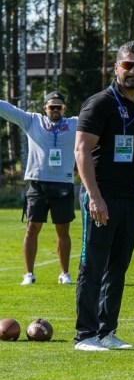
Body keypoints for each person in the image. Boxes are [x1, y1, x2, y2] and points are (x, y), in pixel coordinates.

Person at [73, 40, 134, 351]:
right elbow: (81, 151)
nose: (133, 70)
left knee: (118, 267)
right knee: (92, 265)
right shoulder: (100, 103)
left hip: (127, 197)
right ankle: (85, 335)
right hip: (100, 194)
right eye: (127, 65)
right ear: (116, 67)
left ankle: (107, 331)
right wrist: (94, 197)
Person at [0, 91, 78, 286]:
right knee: (32, 228)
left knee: (63, 230)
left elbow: (97, 113)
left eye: (59, 107)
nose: (55, 110)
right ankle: (28, 274)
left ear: (64, 109)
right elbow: (8, 110)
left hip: (63, 183)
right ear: (45, 108)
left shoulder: (74, 124)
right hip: (37, 182)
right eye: (52, 107)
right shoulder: (32, 121)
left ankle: (65, 274)